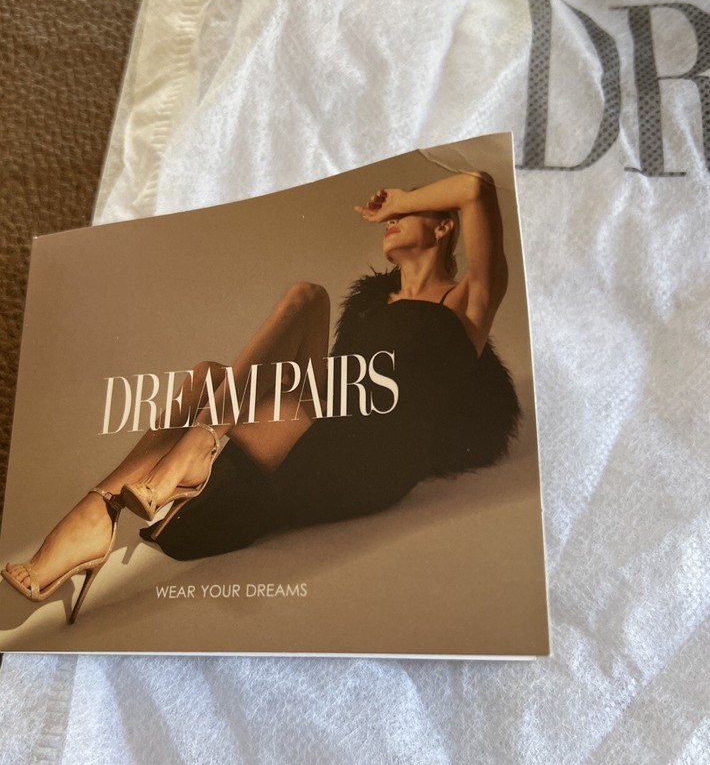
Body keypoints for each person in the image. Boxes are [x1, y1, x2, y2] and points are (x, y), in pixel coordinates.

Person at [2, 171, 520, 623]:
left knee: (263, 374)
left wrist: (402, 198)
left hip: (373, 459)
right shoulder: (374, 303)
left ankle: (174, 464)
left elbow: (476, 188)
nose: (390, 221)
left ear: (444, 227)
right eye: (392, 216)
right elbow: (326, 387)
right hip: (322, 426)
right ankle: (102, 508)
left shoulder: (466, 303)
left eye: (406, 216)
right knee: (245, 346)